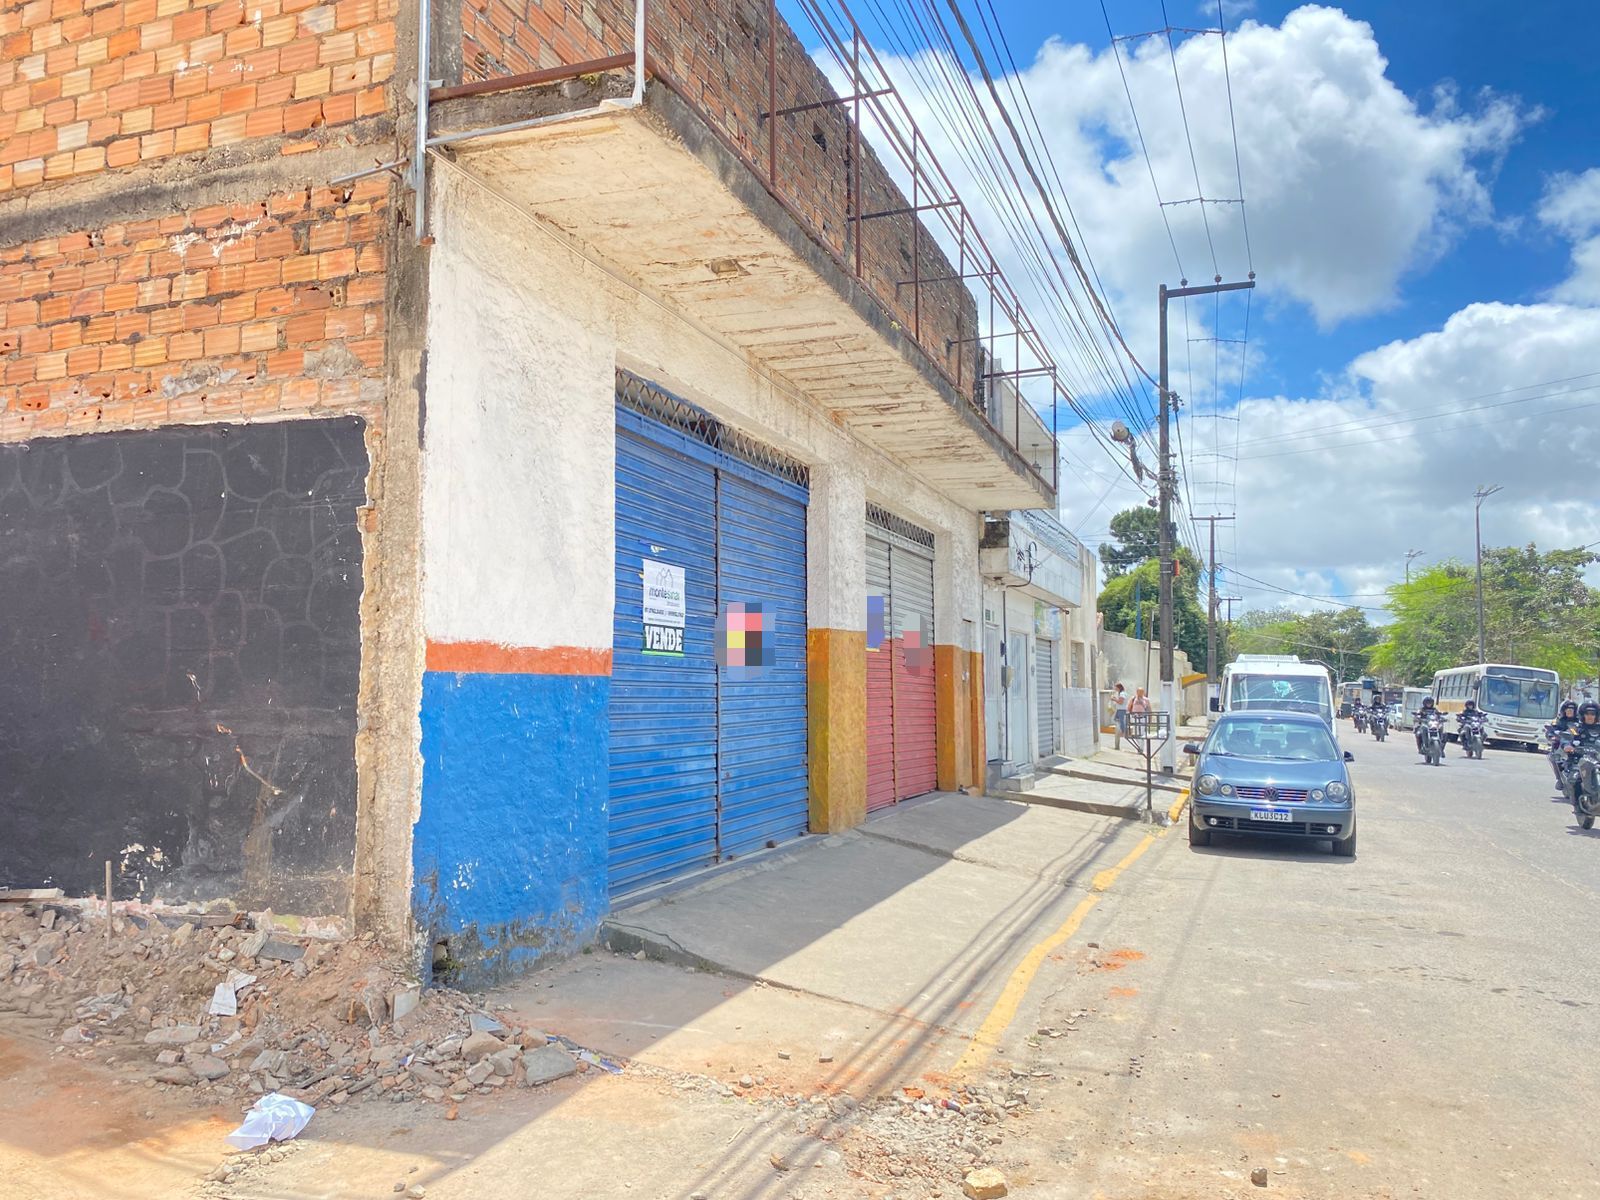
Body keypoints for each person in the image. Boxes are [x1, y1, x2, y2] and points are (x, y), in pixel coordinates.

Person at [1112, 682, 1128, 746]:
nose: (1115, 688)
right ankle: (1120, 730)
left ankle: (1123, 732)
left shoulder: (1122, 694)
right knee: (1117, 719)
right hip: (1120, 709)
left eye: (1116, 687)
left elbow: (1120, 702)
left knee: (1121, 721)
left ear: (1118, 687)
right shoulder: (1122, 693)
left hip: (1122, 709)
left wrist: (1114, 699)